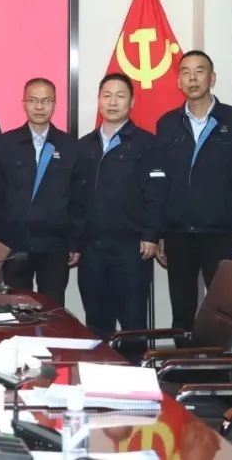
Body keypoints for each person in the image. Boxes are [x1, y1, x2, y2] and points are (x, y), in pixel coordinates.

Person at [155, 50, 232, 334]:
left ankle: (221, 364)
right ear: (179, 81)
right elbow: (161, 183)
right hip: (178, 234)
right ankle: (185, 363)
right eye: (186, 72)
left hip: (221, 233)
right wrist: (159, 232)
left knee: (225, 314)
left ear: (212, 78)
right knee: (182, 315)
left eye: (199, 71)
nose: (192, 78)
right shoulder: (167, 124)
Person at [76, 73, 164, 345]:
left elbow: (156, 194)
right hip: (92, 249)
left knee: (133, 325)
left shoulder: (147, 144)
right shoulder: (84, 146)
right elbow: (76, 200)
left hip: (131, 249)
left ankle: (134, 370)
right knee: (96, 324)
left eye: (120, 96)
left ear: (132, 102)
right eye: (107, 96)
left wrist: (151, 234)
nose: (113, 102)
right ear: (99, 100)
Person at [0, 77, 83, 306]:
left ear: (54, 104)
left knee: (52, 309)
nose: (39, 107)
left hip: (55, 246)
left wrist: (75, 242)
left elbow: (78, 200)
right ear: (24, 103)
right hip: (14, 244)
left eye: (46, 101)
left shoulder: (70, 146)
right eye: (33, 100)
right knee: (16, 309)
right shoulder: (6, 144)